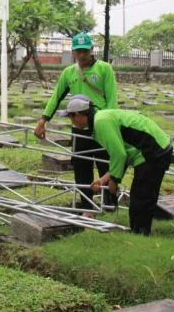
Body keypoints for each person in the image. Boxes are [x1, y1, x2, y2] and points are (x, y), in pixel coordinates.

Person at [58, 95, 173, 235]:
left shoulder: (101, 122)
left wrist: (114, 181)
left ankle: (140, 235)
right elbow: (120, 154)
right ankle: (140, 234)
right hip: (152, 150)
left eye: (71, 117)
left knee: (141, 198)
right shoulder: (100, 119)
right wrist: (104, 179)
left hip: (153, 151)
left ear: (78, 115)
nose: (72, 122)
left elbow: (119, 154)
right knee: (142, 197)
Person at [34, 33, 118, 213]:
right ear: (73, 52)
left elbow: (112, 99)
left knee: (106, 166)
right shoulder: (69, 73)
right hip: (79, 129)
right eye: (78, 51)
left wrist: (112, 124)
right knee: (81, 168)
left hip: (102, 127)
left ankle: (110, 204)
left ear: (91, 50)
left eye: (85, 51)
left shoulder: (104, 69)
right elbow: (56, 97)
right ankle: (87, 206)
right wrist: (43, 119)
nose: (81, 55)